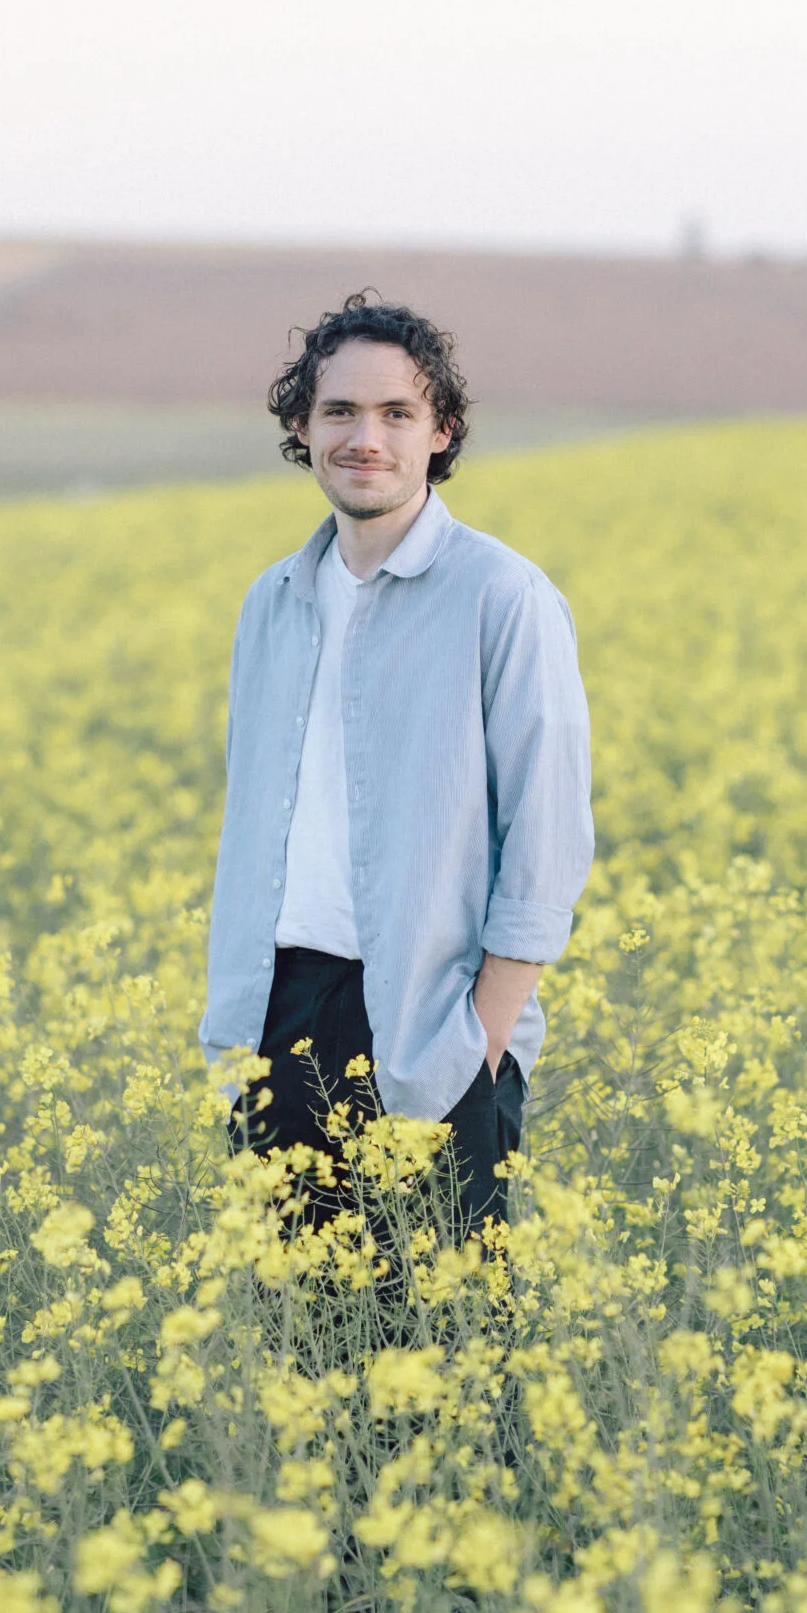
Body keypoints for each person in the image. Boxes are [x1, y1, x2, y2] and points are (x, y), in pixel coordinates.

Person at [200, 293, 595, 1238]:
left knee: (446, 1350)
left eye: (395, 414)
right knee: (303, 1339)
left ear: (440, 432)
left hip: (433, 1023)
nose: (363, 437)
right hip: (275, 1012)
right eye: (338, 411)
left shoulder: (503, 596)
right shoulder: (273, 602)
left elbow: (546, 837)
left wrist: (481, 1040)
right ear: (302, 427)